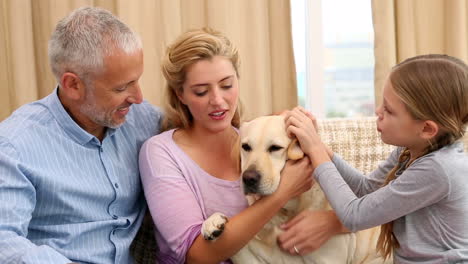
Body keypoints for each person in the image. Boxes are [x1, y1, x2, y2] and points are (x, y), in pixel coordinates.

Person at [138, 27, 348, 264]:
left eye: (226, 85)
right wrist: (282, 192)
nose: (218, 101)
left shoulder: (264, 140)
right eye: (201, 91)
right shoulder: (161, 152)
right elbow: (196, 255)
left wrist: (334, 222)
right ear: (181, 95)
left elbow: (370, 201)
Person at [0, 7, 162, 263]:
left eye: (136, 80)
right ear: (72, 85)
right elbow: (4, 243)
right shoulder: (14, 146)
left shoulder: (146, 120)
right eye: (121, 87)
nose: (138, 97)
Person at [284, 54, 468, 262]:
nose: (378, 111)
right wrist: (323, 149)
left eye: (389, 110)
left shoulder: (439, 169)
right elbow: (365, 189)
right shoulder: (410, 150)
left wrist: (316, 150)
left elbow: (354, 215)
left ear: (426, 128)